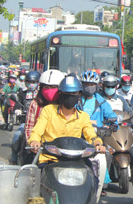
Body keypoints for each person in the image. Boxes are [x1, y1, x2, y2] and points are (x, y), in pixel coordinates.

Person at [28, 75, 107, 203]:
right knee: (33, 184)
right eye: (66, 93)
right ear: (60, 94)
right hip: (50, 159)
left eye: (74, 93)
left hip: (77, 161)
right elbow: (37, 130)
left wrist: (98, 143)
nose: (70, 96)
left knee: (93, 179)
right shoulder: (49, 111)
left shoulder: (83, 117)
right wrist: (35, 141)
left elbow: (91, 135)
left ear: (79, 94)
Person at [10, 69, 64, 165]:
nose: (50, 90)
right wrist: (33, 143)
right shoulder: (35, 104)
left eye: (53, 87)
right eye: (46, 87)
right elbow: (30, 127)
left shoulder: (66, 106)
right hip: (39, 149)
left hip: (61, 150)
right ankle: (14, 157)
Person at [80, 70, 117, 200]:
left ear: (97, 86)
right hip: (78, 137)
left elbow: (112, 116)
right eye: (86, 84)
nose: (89, 87)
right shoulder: (77, 100)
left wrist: (113, 124)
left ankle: (101, 184)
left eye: (92, 84)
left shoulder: (101, 102)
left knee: (106, 154)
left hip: (97, 138)